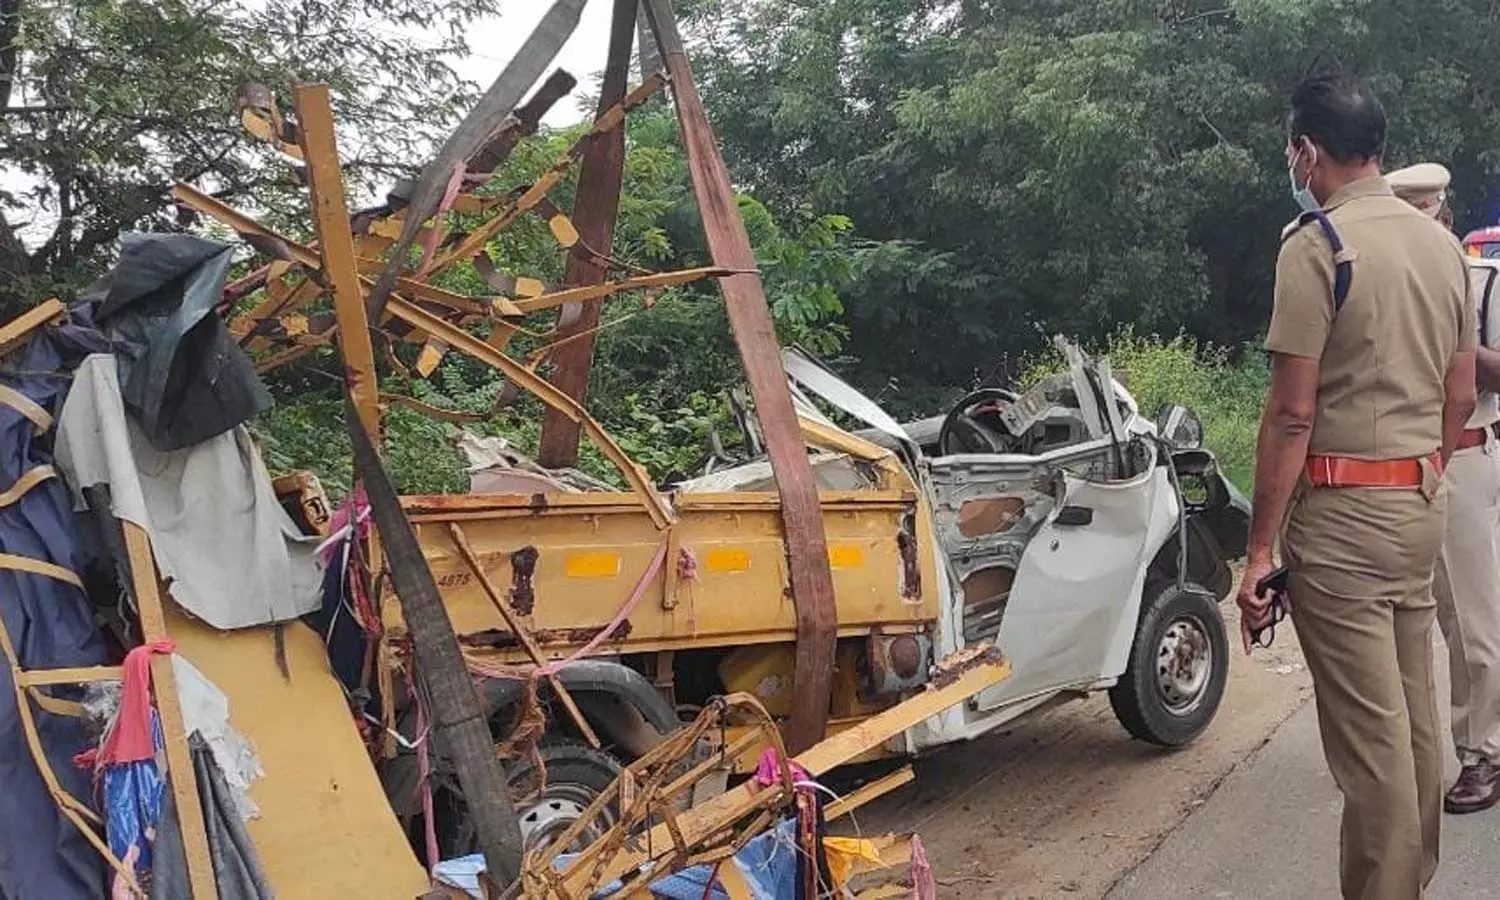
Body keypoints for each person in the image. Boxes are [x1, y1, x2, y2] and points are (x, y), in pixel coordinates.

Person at [1237, 73, 1476, 900]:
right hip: (1419, 505)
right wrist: (1428, 470)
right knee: (1411, 721)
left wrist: (1258, 549)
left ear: (1308, 151)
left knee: (1370, 746)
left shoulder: (1317, 247)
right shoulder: (1441, 245)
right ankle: (1416, 878)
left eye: (1291, 149)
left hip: (1344, 519)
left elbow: (1292, 416)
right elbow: (1457, 392)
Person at [1387, 161, 1500, 814]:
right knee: (1408, 613)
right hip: (1392, 467)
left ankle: (1483, 751)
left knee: (1470, 619)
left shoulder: (1480, 282)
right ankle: (1409, 745)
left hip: (1459, 459)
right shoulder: (1383, 285)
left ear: (1439, 216)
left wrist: (1462, 353)